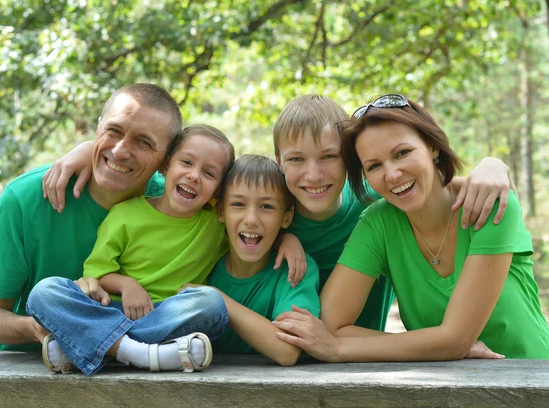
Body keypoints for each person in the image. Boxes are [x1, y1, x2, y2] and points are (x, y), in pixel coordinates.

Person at [44, 94, 514, 332]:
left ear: (350, 163)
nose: (312, 174)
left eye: (329, 157)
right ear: (278, 163)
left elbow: (423, 180)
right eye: (295, 160)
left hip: (360, 356)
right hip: (268, 356)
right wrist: (91, 149)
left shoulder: (374, 204)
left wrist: (492, 166)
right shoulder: (267, 205)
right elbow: (182, 180)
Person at [273, 94, 549, 360]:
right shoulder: (377, 220)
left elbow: (455, 340)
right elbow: (330, 327)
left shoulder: (489, 207)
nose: (392, 174)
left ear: (432, 146)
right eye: (374, 165)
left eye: (403, 153)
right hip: (444, 391)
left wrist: (494, 165)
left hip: (531, 381)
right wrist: (435, 345)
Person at [0, 83, 183, 351]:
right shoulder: (25, 199)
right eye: (113, 131)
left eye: (144, 142)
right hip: (23, 368)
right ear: (97, 129)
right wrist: (41, 328)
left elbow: (229, 193)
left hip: (125, 370)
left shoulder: (174, 205)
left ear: (166, 160)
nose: (120, 151)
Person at [27, 124, 236, 375]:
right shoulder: (126, 213)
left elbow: (254, 227)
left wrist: (286, 242)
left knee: (212, 303)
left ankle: (97, 346)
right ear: (166, 165)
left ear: (218, 191)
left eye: (209, 174)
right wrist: (127, 285)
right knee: (44, 292)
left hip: (168, 316)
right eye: (186, 162)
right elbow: (96, 275)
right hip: (113, 310)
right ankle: (144, 354)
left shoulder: (216, 224)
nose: (194, 175)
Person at [181, 154, 320, 366]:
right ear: (220, 211)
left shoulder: (296, 268)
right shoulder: (203, 258)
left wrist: (217, 299)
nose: (252, 219)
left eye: (266, 207)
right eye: (238, 204)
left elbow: (288, 350)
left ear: (286, 217)